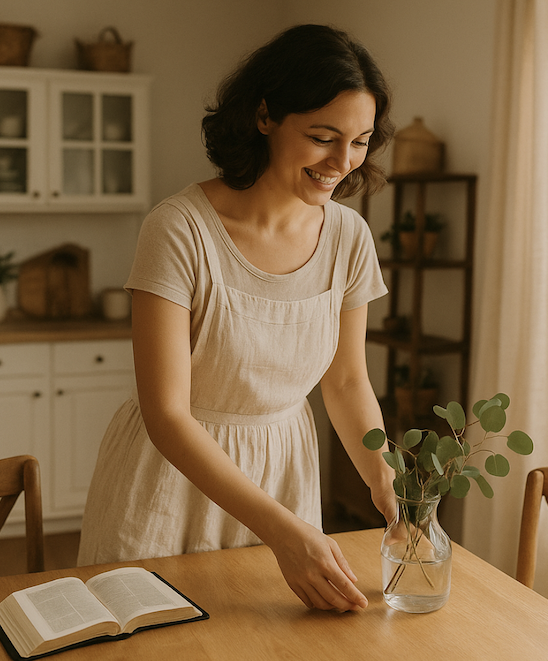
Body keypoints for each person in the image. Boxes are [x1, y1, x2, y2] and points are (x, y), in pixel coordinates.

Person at [77, 24, 397, 612]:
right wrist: (278, 530)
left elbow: (348, 382)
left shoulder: (349, 237)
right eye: (324, 136)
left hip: (284, 476)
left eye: (359, 142)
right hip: (167, 477)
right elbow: (166, 412)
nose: (341, 162)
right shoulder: (179, 229)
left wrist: (389, 486)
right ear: (265, 116)